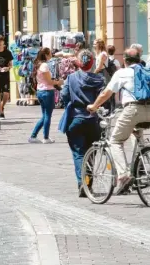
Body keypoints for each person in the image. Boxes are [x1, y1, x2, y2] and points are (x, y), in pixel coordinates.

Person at [87, 48, 150, 192]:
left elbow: (106, 93)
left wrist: (94, 106)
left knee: (115, 140)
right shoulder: (147, 71)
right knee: (136, 132)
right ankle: (141, 164)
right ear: (140, 59)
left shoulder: (121, 73)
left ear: (124, 60)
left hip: (133, 110)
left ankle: (123, 175)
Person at [59, 50, 105, 196]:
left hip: (76, 118)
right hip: (93, 120)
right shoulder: (99, 79)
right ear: (92, 63)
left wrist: (70, 103)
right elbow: (105, 99)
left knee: (78, 153)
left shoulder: (71, 78)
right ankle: (88, 183)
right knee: (91, 153)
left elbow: (64, 95)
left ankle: (82, 183)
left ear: (78, 63)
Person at [28, 48, 63, 144]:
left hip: (40, 91)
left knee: (44, 116)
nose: (52, 55)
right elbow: (49, 81)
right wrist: (59, 82)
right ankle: (45, 137)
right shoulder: (44, 65)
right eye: (50, 53)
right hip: (47, 92)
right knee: (47, 115)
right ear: (46, 55)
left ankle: (33, 136)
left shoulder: (38, 65)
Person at [0, 35, 13, 118]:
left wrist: (7, 68)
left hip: (5, 75)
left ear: (3, 42)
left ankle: (2, 106)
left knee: (6, 94)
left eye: (1, 41)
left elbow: (11, 65)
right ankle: (1, 112)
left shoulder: (8, 53)